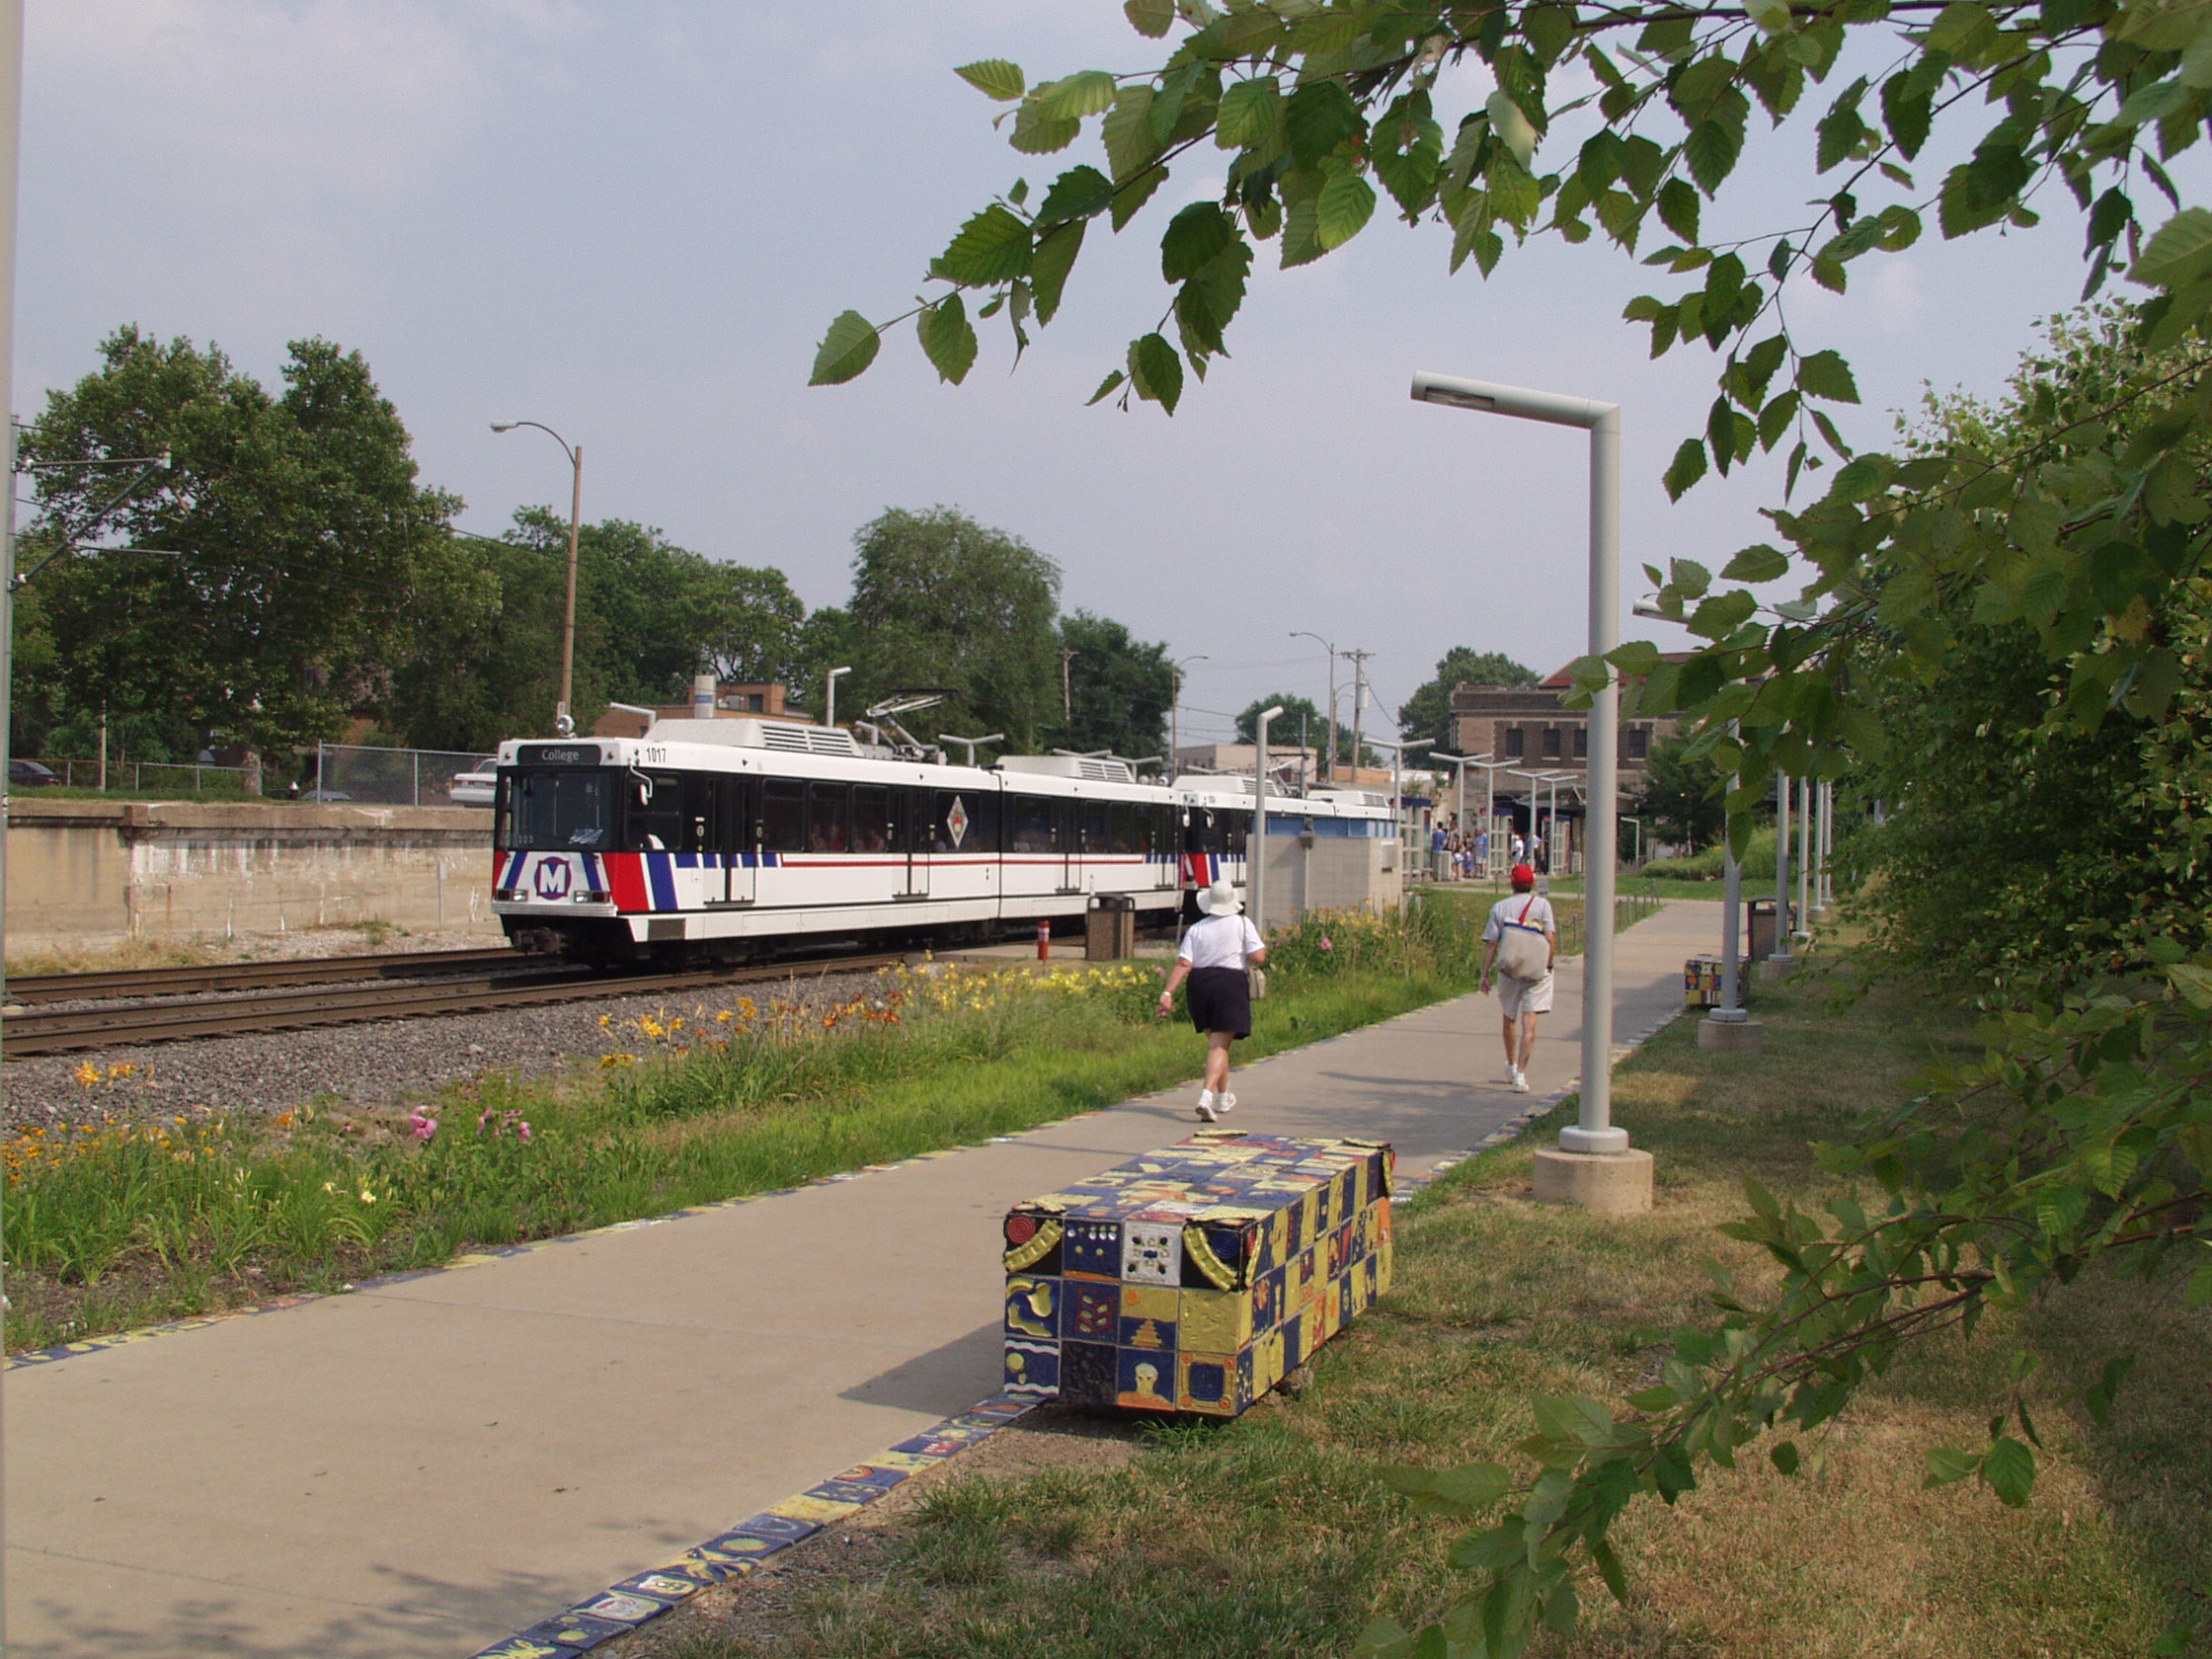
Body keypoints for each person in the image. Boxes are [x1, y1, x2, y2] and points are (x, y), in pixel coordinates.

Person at [1156, 879, 1268, 1121]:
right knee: (1219, 1045)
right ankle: (1206, 1096)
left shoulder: (1197, 929)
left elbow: (1184, 963)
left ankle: (1223, 1097)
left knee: (1218, 1044)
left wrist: (1168, 992)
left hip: (1199, 985)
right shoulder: (1241, 923)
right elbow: (1259, 956)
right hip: (1229, 984)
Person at [1479, 863, 1556, 1094]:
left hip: (1509, 969)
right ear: (1531, 883)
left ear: (1512, 883)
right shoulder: (1543, 905)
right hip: (1536, 970)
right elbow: (1550, 937)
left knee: (1509, 1016)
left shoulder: (1500, 908)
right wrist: (1549, 965)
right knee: (1529, 1022)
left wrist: (1485, 974)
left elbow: (1492, 943)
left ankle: (1511, 1064)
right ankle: (1521, 1075)